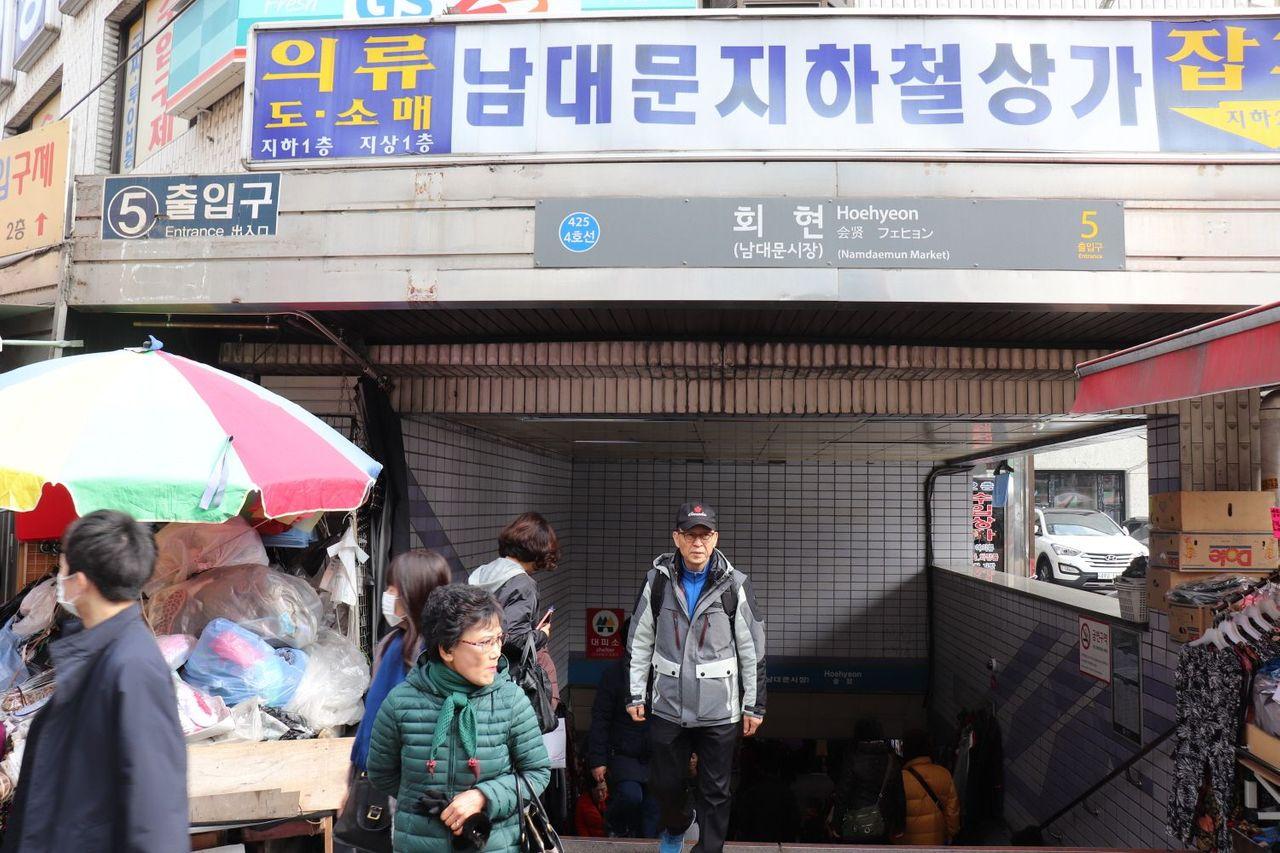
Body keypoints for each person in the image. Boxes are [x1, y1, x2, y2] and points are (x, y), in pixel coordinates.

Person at [2, 510, 188, 853]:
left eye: (62, 567)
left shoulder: (132, 667)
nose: (59, 577)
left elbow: (157, 815)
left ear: (82, 580)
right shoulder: (95, 653)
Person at [625, 501, 767, 853]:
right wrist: (635, 695)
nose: (698, 543)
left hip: (719, 710)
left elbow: (753, 650)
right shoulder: (657, 581)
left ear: (716, 538)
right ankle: (677, 821)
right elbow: (639, 640)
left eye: (705, 535)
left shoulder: (735, 585)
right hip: (669, 705)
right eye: (690, 535)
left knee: (716, 789)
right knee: (664, 783)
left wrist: (754, 705)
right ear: (677, 538)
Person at [367, 584, 551, 852]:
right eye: (484, 642)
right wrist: (428, 806)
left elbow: (537, 773)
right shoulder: (401, 702)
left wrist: (484, 797)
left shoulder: (510, 700)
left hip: (494, 845)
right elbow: (382, 773)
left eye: (499, 639)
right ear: (447, 649)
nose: (495, 652)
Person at [350, 549, 452, 774]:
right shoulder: (392, 642)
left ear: (414, 594)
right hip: (370, 769)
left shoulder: (432, 654)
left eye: (391, 589)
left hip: (399, 778)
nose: (386, 594)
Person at [586, 620, 660, 838]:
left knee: (653, 812)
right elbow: (600, 718)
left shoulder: (662, 673)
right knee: (630, 796)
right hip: (624, 754)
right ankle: (614, 826)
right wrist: (597, 759)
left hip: (657, 757)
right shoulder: (614, 675)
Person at [468, 512, 560, 666]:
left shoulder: (483, 571)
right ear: (538, 551)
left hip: (475, 664)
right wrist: (542, 635)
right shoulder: (523, 585)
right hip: (505, 671)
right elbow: (514, 639)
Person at [832, 719, 906, 844]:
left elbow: (842, 796)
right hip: (882, 824)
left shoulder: (852, 760)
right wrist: (899, 826)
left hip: (855, 824)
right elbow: (899, 797)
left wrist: (837, 825)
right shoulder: (891, 762)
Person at [896, 729, 961, 846]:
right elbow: (952, 813)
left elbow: (894, 815)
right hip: (936, 843)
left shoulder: (899, 778)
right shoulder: (944, 774)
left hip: (907, 844)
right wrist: (950, 834)